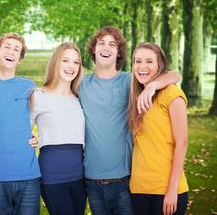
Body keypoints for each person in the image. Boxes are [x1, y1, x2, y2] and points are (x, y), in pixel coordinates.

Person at [78, 26, 182, 215]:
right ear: (94, 49)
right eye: (101, 43)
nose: (106, 48)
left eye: (112, 44)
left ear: (118, 53)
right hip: (92, 180)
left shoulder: (130, 81)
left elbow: (175, 75)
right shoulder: (82, 84)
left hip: (125, 180)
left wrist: (152, 86)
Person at [0, 33, 41, 215]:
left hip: (29, 175)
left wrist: (41, 137)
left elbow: (46, 117)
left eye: (17, 49)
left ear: (20, 59)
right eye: (7, 47)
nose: (11, 52)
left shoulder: (29, 87)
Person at [128, 42, 189, 215]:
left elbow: (182, 143)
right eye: (137, 61)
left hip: (166, 189)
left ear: (159, 65)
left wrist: (172, 190)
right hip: (138, 188)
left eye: (149, 61)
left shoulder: (171, 94)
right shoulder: (135, 95)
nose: (142, 66)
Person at [30, 42, 86, 215]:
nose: (71, 67)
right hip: (53, 175)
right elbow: (23, 128)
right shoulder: (39, 95)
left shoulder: (79, 98)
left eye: (76, 62)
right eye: (66, 61)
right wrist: (30, 137)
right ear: (56, 63)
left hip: (79, 176)